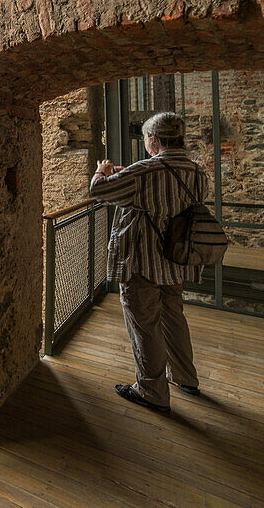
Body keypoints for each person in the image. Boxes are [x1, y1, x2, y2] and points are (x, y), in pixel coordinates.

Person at [90, 111, 208, 414]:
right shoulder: (196, 172)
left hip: (142, 260)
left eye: (145, 138)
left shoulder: (145, 171)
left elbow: (100, 191)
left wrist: (103, 171)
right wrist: (130, 173)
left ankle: (151, 391)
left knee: (145, 326)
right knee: (173, 319)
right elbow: (166, 196)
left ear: (153, 139)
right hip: (175, 260)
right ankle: (185, 377)